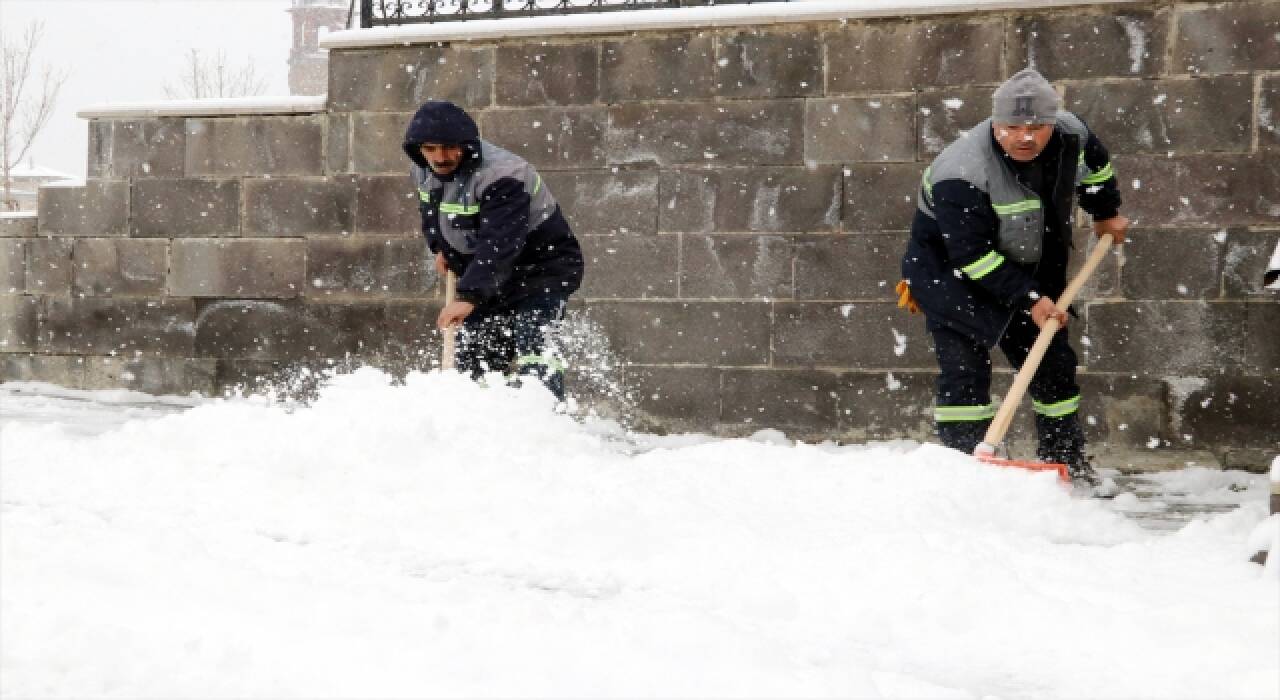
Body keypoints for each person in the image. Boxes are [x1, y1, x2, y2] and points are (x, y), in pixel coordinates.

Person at [898, 68, 1128, 485]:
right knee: (964, 373)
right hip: (951, 275)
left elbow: (1096, 169)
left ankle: (1065, 461)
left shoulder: (1072, 134)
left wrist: (1106, 213)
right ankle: (965, 472)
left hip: (1026, 267)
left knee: (1053, 366)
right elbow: (970, 254)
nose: (1026, 137)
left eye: (1037, 127)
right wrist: (1030, 299)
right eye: (1012, 127)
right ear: (994, 124)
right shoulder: (961, 170)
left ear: (1052, 123)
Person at [403, 100, 584, 400]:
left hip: (540, 268)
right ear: (418, 148)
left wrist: (469, 296)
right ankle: (482, 430)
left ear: (466, 145)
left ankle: (547, 424)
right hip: (487, 272)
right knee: (477, 363)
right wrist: (442, 248)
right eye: (431, 148)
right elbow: (433, 215)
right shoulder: (422, 171)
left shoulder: (503, 174)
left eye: (449, 147)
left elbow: (501, 241)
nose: (441, 157)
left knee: (534, 348)